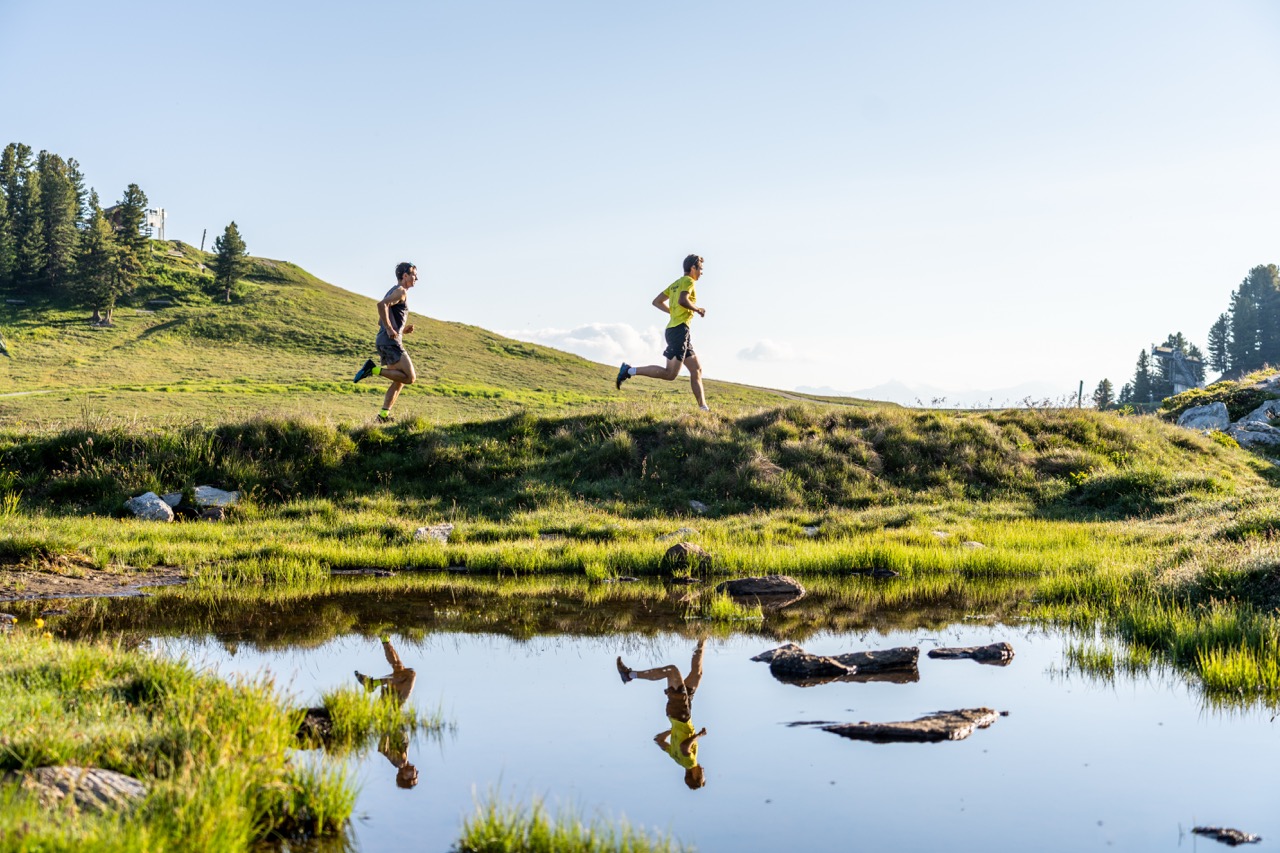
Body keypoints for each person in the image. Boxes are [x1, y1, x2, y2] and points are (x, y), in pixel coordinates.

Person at [616, 254, 710, 411]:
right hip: (679, 331)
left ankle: (704, 409)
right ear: (693, 268)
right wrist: (697, 309)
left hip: (679, 330)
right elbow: (682, 300)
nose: (701, 272)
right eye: (700, 269)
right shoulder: (688, 281)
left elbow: (657, 302)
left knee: (696, 369)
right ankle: (629, 370)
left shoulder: (676, 283)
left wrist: (673, 313)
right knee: (670, 374)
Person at [616, 638, 708, 789]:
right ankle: (702, 639)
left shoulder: (691, 762)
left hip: (681, 713)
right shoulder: (677, 759)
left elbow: (685, 747)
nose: (704, 772)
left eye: (702, 776)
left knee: (671, 671)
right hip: (679, 714)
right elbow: (658, 740)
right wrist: (673, 730)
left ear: (695, 776)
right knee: (697, 674)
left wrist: (699, 735)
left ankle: (629, 675)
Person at [353, 261, 418, 422]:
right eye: (414, 275)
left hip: (384, 341)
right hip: (391, 343)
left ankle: (382, 416)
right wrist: (390, 329)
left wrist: (401, 330)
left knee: (399, 380)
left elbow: (379, 321)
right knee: (410, 378)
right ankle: (372, 370)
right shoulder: (400, 291)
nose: (417, 279)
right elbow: (381, 305)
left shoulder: (392, 291)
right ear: (405, 276)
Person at [355, 635, 420, 788]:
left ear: (404, 776)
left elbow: (383, 748)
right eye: (416, 776)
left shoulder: (400, 762)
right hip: (393, 710)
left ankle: (373, 683)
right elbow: (383, 748)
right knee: (399, 669)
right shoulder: (401, 760)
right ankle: (385, 638)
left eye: (413, 777)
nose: (416, 773)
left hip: (391, 709)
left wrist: (385, 726)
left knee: (410, 675)